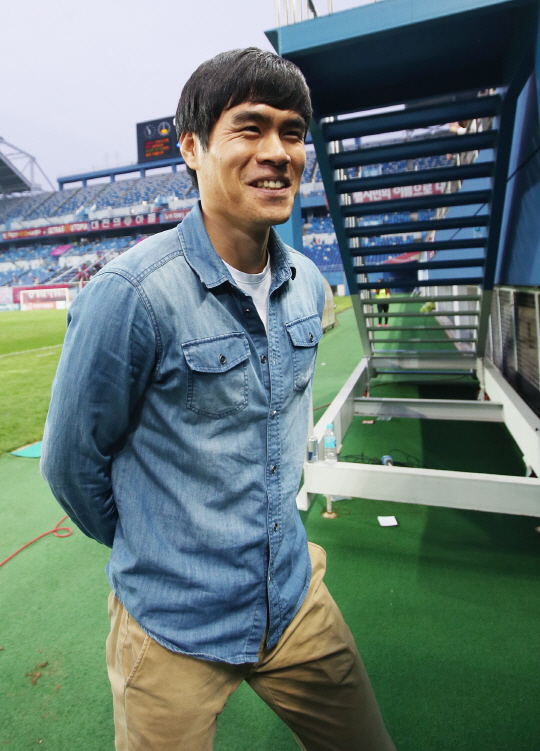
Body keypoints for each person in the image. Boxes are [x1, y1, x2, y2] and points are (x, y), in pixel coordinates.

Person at [41, 48, 395, 751]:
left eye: (293, 133)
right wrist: (159, 548)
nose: (278, 152)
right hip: (172, 625)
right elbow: (70, 466)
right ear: (193, 148)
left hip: (292, 599)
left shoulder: (310, 285)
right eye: (250, 128)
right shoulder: (131, 294)